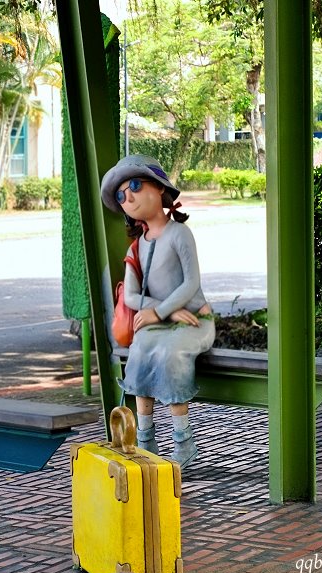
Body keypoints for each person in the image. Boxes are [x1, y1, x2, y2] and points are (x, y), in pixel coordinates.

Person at [100, 155, 215, 469]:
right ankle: (146, 442)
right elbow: (133, 296)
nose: (130, 197)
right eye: (122, 195)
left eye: (135, 185)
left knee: (170, 353)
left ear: (160, 189)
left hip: (195, 321)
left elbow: (191, 283)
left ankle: (183, 442)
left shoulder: (180, 235)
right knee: (140, 352)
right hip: (161, 323)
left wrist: (165, 311)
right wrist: (164, 313)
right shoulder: (137, 247)